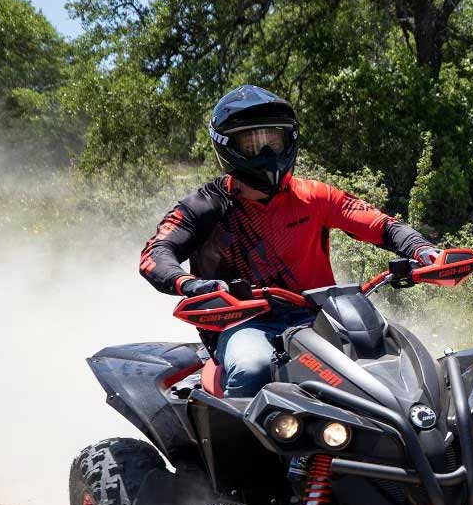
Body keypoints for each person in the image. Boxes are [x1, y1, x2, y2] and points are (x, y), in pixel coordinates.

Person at [139, 85, 440, 397]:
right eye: (253, 143)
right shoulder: (204, 206)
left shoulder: (315, 196)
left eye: (274, 140)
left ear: (290, 140)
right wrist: (190, 284)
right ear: (229, 147)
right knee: (252, 368)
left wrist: (421, 248)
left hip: (323, 316)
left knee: (402, 359)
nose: (267, 152)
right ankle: (245, 445)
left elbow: (382, 225)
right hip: (243, 322)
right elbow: (155, 254)